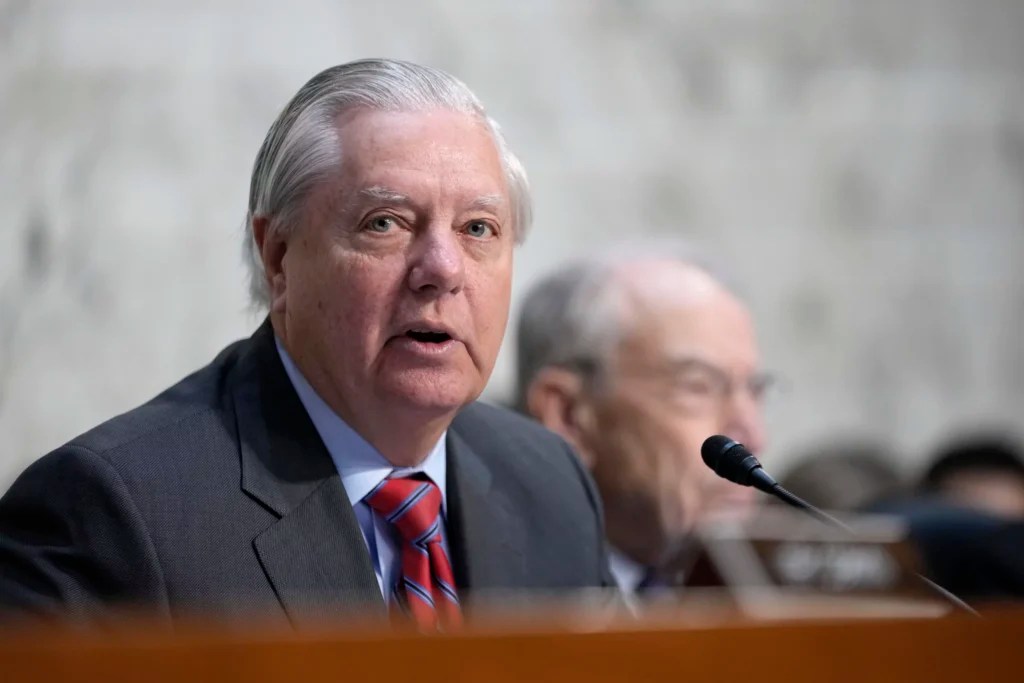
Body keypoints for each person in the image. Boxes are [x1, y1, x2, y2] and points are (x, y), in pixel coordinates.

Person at [0, 59, 613, 629]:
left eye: (478, 228)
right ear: (278, 257)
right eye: (385, 224)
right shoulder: (112, 514)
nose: (443, 269)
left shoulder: (547, 481)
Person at [515, 247, 769, 594]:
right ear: (569, 415)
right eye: (698, 387)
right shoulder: (491, 595)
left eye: (754, 391)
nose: (753, 436)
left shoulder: (766, 601)